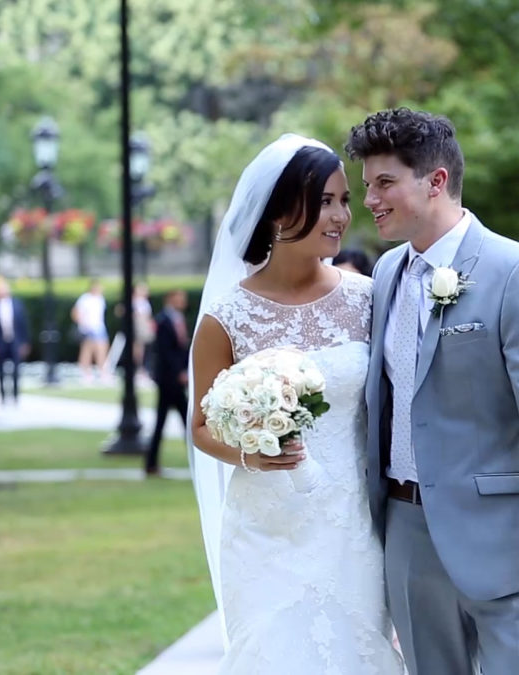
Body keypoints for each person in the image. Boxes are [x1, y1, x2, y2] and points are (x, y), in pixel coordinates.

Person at [347, 107, 519, 674]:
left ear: (436, 181)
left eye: (384, 183)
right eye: (368, 186)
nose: (370, 199)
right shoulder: (387, 273)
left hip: (510, 540)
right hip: (409, 535)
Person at [189, 134, 404, 673]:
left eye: (344, 201)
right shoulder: (226, 317)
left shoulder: (367, 298)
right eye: (325, 201)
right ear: (281, 212)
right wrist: (251, 455)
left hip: (350, 521)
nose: (341, 216)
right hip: (265, 526)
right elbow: (200, 425)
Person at [144, 289, 189, 477]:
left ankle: (151, 463)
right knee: (180, 420)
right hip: (168, 380)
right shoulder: (163, 321)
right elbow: (165, 352)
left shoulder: (178, 319)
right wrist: (178, 372)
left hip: (176, 379)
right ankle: (151, 463)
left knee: (185, 420)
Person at [0, 278, 31, 405]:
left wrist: (25, 342)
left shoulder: (17, 304)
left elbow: (23, 325)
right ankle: (3, 397)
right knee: (0, 371)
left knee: (16, 370)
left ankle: (15, 396)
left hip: (15, 341)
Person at [71, 280, 109, 383]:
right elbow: (76, 312)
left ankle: (103, 372)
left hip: (99, 327)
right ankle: (85, 373)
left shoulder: (100, 299)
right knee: (87, 350)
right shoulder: (85, 298)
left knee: (102, 349)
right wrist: (83, 324)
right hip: (88, 328)